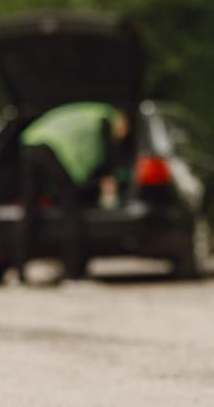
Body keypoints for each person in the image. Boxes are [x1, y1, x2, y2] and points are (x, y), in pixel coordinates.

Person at [17, 102, 130, 281]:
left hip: (31, 142)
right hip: (56, 150)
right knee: (71, 210)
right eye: (124, 132)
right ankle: (73, 270)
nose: (121, 137)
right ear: (121, 121)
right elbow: (105, 156)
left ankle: (20, 270)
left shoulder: (86, 112)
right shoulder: (104, 119)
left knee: (30, 209)